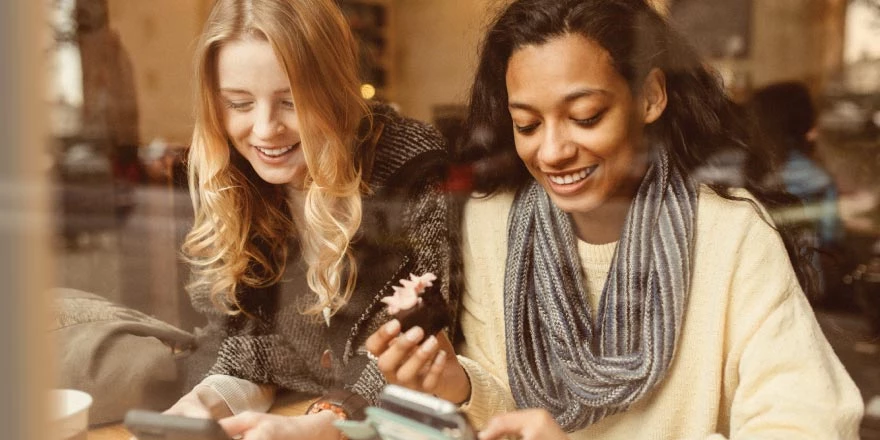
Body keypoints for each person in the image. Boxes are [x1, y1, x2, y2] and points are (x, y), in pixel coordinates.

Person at [366, 0, 864, 438]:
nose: (553, 151)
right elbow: (506, 409)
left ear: (649, 97)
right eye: (528, 125)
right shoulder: (491, 223)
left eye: (585, 116)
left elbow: (808, 423)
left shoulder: (730, 233)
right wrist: (458, 384)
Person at [158, 0, 461, 438]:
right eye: (239, 104)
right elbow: (253, 345)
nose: (264, 129)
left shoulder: (410, 165)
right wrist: (202, 401)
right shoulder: (232, 176)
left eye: (289, 101)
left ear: (335, 90)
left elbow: (424, 346)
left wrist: (331, 421)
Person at [747, 81, 845, 304]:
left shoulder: (736, 170)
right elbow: (831, 240)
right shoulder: (818, 179)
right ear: (806, 124)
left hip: (747, 286)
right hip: (802, 291)